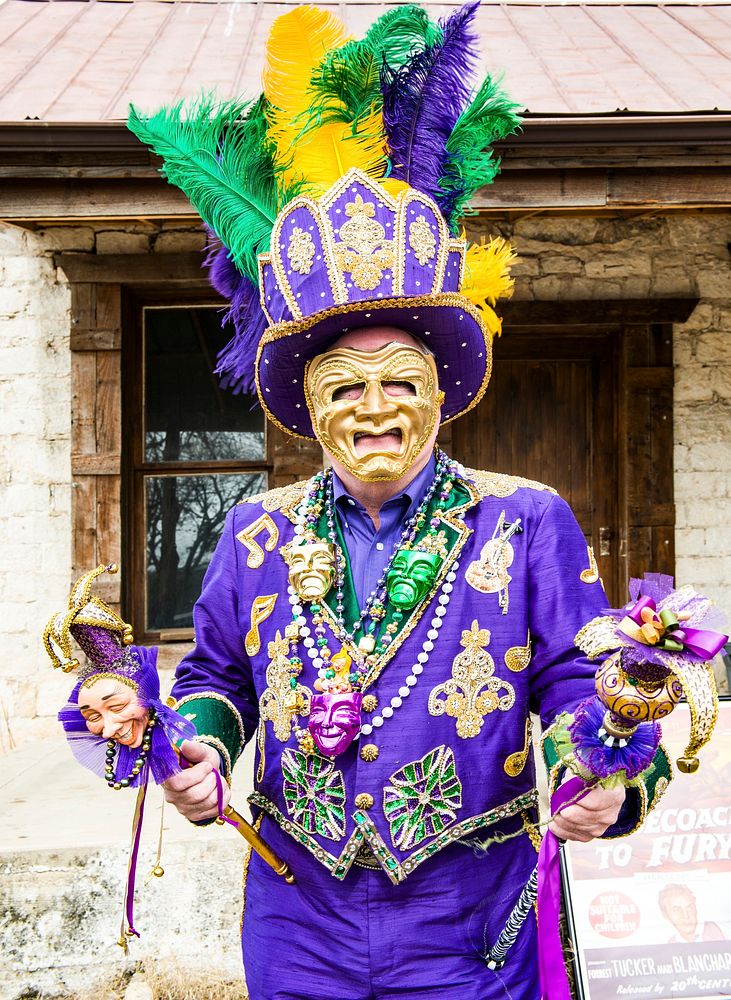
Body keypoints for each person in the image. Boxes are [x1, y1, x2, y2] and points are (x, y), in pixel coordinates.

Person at [127, 5, 667, 995]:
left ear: (438, 399)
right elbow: (217, 673)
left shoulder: (525, 519)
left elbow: (571, 680)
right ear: (307, 411)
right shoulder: (253, 531)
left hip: (471, 907)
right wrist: (198, 743)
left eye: (398, 385)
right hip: (297, 910)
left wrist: (598, 773)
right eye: (343, 387)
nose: (372, 409)